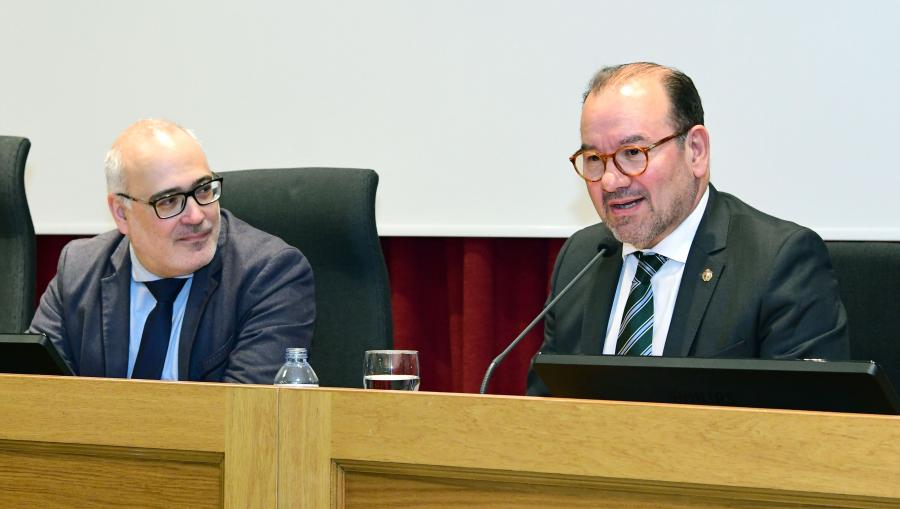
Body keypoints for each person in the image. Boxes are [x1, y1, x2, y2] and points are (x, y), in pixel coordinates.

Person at [527, 62, 849, 395]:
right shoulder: (581, 258)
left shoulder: (778, 263)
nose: (610, 180)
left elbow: (804, 427)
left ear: (695, 150)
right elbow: (545, 417)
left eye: (633, 153)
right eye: (594, 158)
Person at [30, 119, 315, 384]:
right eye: (168, 201)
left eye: (203, 190)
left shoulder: (269, 275)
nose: (195, 215)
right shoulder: (79, 270)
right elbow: (32, 394)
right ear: (121, 214)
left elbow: (244, 418)